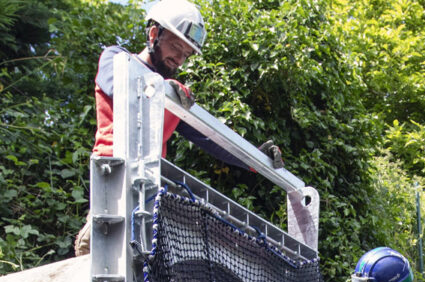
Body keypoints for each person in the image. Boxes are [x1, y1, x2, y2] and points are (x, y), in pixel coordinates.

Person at [74, 0, 282, 255]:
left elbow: (211, 139)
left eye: (186, 54)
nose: (180, 59)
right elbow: (125, 91)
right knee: (107, 253)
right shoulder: (116, 59)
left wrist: (256, 158)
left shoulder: (172, 98)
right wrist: (167, 89)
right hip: (114, 178)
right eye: (176, 47)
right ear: (154, 35)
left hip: (149, 184)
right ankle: (91, 235)